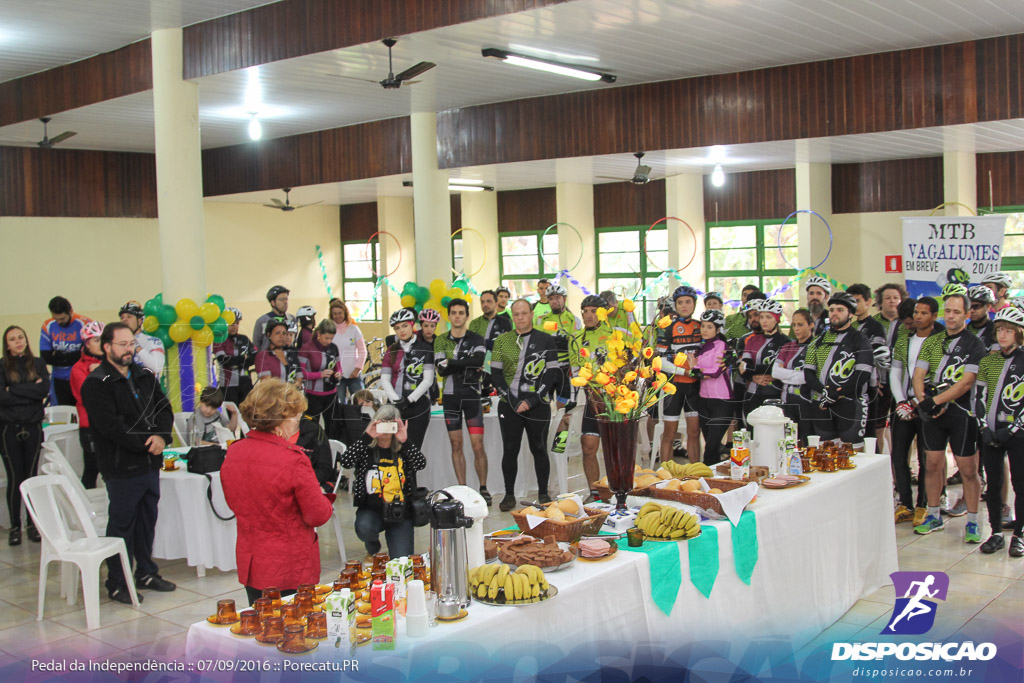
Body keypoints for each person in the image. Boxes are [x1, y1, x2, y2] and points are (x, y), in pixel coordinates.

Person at [80, 323, 175, 604]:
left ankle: (145, 571)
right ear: (106, 347)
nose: (128, 349)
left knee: (147, 520)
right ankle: (117, 581)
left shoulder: (143, 374)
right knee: (122, 524)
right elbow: (112, 426)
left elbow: (163, 407)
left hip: (150, 463)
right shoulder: (96, 382)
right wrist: (148, 442)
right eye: (122, 344)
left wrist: (162, 437)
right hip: (122, 465)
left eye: (131, 344)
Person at [220, 379, 335, 605]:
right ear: (280, 421)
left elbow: (234, 502)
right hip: (289, 563)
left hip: (252, 559)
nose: (298, 421)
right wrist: (324, 497)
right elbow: (318, 515)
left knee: (261, 624)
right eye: (295, 415)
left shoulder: (235, 451)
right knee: (294, 630)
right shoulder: (293, 459)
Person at [911, 292, 987, 542]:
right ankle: (933, 514)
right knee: (932, 464)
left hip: (961, 414)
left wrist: (937, 401)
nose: (951, 316)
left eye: (957, 312)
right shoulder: (933, 341)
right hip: (933, 412)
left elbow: (966, 383)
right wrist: (924, 401)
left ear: (967, 314)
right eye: (948, 311)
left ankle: (974, 522)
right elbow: (918, 374)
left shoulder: (975, 344)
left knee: (968, 469)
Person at [491, 298, 560, 512]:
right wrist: (512, 400)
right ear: (513, 317)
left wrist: (531, 401)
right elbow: (495, 374)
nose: (520, 317)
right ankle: (509, 494)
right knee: (510, 449)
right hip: (508, 404)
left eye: (524, 313)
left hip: (537, 404)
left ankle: (543, 492)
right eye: (516, 314)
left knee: (539, 448)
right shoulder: (501, 341)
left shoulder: (546, 340)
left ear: (531, 314)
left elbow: (552, 374)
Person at [340, 404, 425, 560]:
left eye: (390, 424)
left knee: (401, 562)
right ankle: (373, 547)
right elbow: (345, 461)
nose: (386, 430)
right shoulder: (366, 447)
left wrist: (405, 442)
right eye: (382, 423)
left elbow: (421, 463)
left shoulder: (402, 449)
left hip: (401, 512)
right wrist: (367, 436)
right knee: (364, 527)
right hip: (371, 509)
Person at [976, 307, 1024, 557]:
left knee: (1020, 483)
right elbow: (979, 396)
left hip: (1018, 434)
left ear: (1018, 333)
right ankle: (995, 532)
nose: (1003, 335)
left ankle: (1019, 534)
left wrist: (1014, 428)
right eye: (999, 330)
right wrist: (983, 427)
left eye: (1008, 331)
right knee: (993, 485)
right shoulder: (988, 360)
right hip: (991, 432)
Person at [890, 298, 940, 526]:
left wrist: (918, 401)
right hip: (904, 406)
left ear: (933, 316)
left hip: (928, 405)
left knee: (924, 458)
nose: (918, 317)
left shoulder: (940, 342)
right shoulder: (905, 340)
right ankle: (906, 504)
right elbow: (895, 371)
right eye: (916, 313)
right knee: (898, 455)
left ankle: (923, 506)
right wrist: (901, 401)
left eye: (923, 313)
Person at [434, 299, 490, 502]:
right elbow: (440, 369)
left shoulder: (476, 338)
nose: (457, 316)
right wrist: (465, 363)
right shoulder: (440, 340)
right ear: (449, 316)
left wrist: (452, 363)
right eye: (454, 313)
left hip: (472, 397)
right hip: (450, 398)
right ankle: (462, 488)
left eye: (461, 313)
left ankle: (483, 487)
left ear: (467, 316)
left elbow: (479, 360)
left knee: (477, 445)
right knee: (456, 444)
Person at [803, 292, 873, 448]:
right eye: (832, 309)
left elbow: (862, 374)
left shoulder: (861, 339)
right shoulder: (818, 339)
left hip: (850, 403)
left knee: (853, 454)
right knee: (825, 453)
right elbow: (808, 372)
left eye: (840, 310)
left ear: (851, 314)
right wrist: (825, 391)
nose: (834, 313)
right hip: (822, 402)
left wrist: (837, 393)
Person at [0, 325, 50, 545]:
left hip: (33, 425)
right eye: (13, 339)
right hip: (9, 428)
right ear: (7, 344)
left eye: (21, 337)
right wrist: (29, 390)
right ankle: (15, 526)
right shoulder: (1, 367)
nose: (18, 341)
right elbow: (2, 397)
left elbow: (43, 391)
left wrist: (14, 390)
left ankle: (32, 524)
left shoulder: (37, 363)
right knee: (15, 477)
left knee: (31, 476)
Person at [571, 295, 614, 500]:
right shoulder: (576, 339)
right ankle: (594, 492)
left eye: (593, 311)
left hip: (614, 399)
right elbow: (575, 371)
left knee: (614, 448)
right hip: (591, 397)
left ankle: (617, 488)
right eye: (585, 311)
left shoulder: (614, 334)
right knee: (588, 447)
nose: (588, 315)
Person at [657, 285, 704, 464]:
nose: (684, 306)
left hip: (694, 388)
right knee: (670, 432)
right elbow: (660, 362)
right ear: (675, 305)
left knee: (693, 432)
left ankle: (695, 472)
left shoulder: (700, 327)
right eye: (680, 302)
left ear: (694, 304)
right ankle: (665, 474)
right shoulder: (668, 328)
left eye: (688, 302)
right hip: (674, 387)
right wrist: (686, 371)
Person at [534, 284, 581, 453]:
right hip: (546, 370)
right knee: (543, 408)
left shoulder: (573, 319)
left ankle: (561, 447)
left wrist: (564, 342)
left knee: (564, 410)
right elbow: (538, 342)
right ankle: (545, 443)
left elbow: (576, 343)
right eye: (551, 298)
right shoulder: (542, 320)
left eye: (557, 298)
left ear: (564, 299)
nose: (554, 301)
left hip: (564, 370)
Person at [380, 309, 435, 452]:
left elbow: (428, 380)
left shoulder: (426, 348)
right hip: (395, 405)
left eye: (404, 326)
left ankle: (411, 475)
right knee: (392, 450)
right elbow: (385, 378)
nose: (401, 330)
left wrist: (410, 399)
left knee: (412, 451)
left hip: (418, 406)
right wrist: (395, 400)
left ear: (412, 325)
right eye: (397, 328)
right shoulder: (391, 350)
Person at [848, 284, 891, 449]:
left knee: (875, 432)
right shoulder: (852, 326)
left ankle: (878, 466)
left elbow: (878, 357)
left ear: (868, 302)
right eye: (851, 301)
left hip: (875, 387)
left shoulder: (875, 326)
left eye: (858, 301)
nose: (855, 305)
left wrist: (877, 381)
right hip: (856, 386)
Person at [691, 309, 733, 464]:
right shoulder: (701, 347)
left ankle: (709, 478)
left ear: (718, 329)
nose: (705, 330)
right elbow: (693, 369)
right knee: (710, 444)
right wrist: (696, 371)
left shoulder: (721, 345)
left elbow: (715, 372)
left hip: (721, 400)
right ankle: (711, 479)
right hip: (704, 399)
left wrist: (697, 371)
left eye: (709, 327)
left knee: (711, 446)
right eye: (703, 326)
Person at [871, 283, 908, 451]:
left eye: (895, 298)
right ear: (880, 302)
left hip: (903, 384)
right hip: (880, 383)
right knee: (878, 426)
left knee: (901, 430)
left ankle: (901, 469)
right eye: (887, 298)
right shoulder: (873, 323)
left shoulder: (907, 324)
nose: (892, 301)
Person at [739, 299, 789, 419]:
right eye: (761, 317)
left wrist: (750, 368)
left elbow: (777, 368)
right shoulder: (752, 340)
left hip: (775, 393)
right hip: (752, 393)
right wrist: (752, 377)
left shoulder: (786, 342)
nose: (764, 321)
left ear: (777, 319)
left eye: (768, 317)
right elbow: (743, 368)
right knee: (752, 433)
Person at [70, 321, 105, 489]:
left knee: (111, 470)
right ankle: (84, 508)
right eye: (96, 340)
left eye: (103, 339)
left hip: (110, 423)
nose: (101, 344)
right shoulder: (78, 368)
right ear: (87, 343)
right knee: (92, 469)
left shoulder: (109, 365)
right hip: (90, 425)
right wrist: (100, 374)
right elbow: (89, 396)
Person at [39, 296, 92, 406]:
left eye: (62, 319)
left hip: (81, 377)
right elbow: (45, 357)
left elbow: (90, 354)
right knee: (62, 415)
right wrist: (75, 355)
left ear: (71, 311)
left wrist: (59, 356)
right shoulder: (47, 326)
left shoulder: (85, 323)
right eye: (55, 319)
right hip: (58, 379)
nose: (59, 322)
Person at [773, 309, 815, 441]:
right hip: (787, 400)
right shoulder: (787, 346)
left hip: (808, 401)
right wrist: (797, 376)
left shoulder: (816, 347)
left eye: (800, 325)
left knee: (808, 440)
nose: (796, 329)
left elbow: (809, 377)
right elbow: (775, 372)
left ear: (811, 325)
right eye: (794, 325)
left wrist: (786, 375)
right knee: (789, 440)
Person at [468, 289, 513, 400]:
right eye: (482, 302)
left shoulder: (505, 322)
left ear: (496, 303)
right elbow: (471, 346)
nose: (485, 304)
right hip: (478, 370)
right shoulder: (475, 323)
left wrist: (484, 343)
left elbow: (506, 347)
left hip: (499, 369)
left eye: (488, 301)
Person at [300, 319, 342, 434]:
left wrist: (338, 374)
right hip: (313, 394)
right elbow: (302, 374)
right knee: (311, 426)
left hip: (331, 393)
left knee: (333, 426)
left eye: (331, 339)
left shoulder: (334, 348)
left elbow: (338, 367)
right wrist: (320, 375)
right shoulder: (307, 348)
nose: (329, 341)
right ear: (319, 334)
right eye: (326, 338)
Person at [213, 308, 254, 406]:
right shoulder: (219, 340)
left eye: (237, 323)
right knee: (231, 415)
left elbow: (255, 357)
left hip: (245, 382)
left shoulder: (244, 339)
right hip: (228, 385)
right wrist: (243, 358)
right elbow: (224, 360)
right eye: (232, 324)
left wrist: (239, 361)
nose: (235, 326)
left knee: (248, 412)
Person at [329, 299, 367, 404]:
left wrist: (357, 369)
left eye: (340, 313)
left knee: (362, 403)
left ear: (345, 313)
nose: (337, 316)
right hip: (337, 376)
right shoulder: (330, 330)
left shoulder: (354, 329)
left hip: (354, 374)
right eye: (335, 314)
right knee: (340, 405)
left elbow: (362, 351)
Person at [118, 301, 165, 376]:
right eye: (122, 317)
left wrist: (136, 345)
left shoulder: (153, 341)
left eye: (129, 316)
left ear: (139, 321)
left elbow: (157, 366)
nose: (124, 320)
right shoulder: (117, 343)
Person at [255, 320, 304, 387]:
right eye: (277, 333)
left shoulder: (291, 354)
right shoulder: (263, 356)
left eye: (284, 333)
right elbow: (267, 382)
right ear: (269, 335)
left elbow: (299, 376)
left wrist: (297, 383)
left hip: (292, 394)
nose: (281, 336)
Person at [252, 285, 294, 351]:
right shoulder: (262, 321)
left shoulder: (292, 319)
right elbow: (256, 345)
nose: (285, 302)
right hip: (267, 359)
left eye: (286, 299)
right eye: (281, 299)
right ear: (273, 303)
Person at [417, 308, 442, 404]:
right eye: (426, 325)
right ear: (421, 325)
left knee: (434, 398)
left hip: (431, 378)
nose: (429, 329)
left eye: (432, 326)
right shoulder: (413, 337)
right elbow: (389, 339)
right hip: (414, 379)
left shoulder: (438, 341)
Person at [967, 286, 998, 352]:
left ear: (988, 306)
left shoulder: (996, 331)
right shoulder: (964, 331)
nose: (972, 310)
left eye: (976, 306)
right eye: (969, 306)